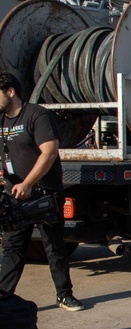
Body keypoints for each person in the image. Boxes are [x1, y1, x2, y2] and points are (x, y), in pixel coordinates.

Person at [0, 72, 84, 310]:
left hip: (43, 194)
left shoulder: (37, 115)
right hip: (15, 197)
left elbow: (49, 152)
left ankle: (64, 295)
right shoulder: (1, 120)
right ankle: (3, 297)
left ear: (10, 91)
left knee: (54, 246)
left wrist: (28, 183)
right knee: (13, 249)